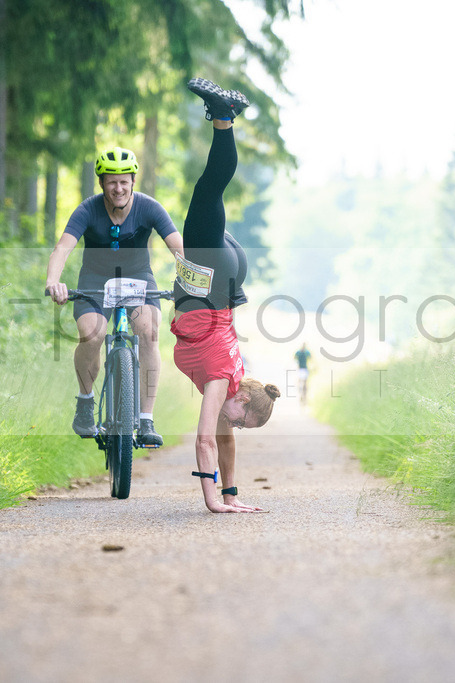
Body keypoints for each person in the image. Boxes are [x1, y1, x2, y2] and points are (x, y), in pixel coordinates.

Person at [171, 77, 281, 514]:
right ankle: (223, 116)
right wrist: (214, 500)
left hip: (228, 281)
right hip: (214, 278)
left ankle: (226, 115)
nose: (238, 427)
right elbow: (204, 441)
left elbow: (219, 434)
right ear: (241, 400)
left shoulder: (235, 377)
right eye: (245, 421)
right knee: (208, 189)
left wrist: (232, 494)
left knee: (210, 201)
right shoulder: (222, 379)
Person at [46, 146, 184, 446]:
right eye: (111, 181)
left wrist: (189, 281)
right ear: (101, 183)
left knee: (148, 333)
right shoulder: (87, 209)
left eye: (124, 181)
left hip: (138, 279)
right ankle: (85, 401)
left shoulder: (150, 208)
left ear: (133, 180)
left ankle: (146, 420)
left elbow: (178, 247)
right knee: (92, 335)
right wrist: (53, 281)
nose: (118, 188)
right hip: (95, 280)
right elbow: (62, 249)